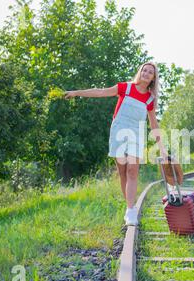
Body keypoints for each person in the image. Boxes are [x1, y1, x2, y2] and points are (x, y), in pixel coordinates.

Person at [64, 62, 167, 226]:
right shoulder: (125, 88)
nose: (146, 73)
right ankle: (130, 206)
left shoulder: (150, 99)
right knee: (123, 172)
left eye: (150, 72)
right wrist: (76, 93)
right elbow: (100, 92)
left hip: (136, 134)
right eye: (144, 70)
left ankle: (130, 210)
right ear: (139, 72)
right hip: (118, 131)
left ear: (154, 78)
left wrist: (161, 149)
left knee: (133, 170)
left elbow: (154, 124)